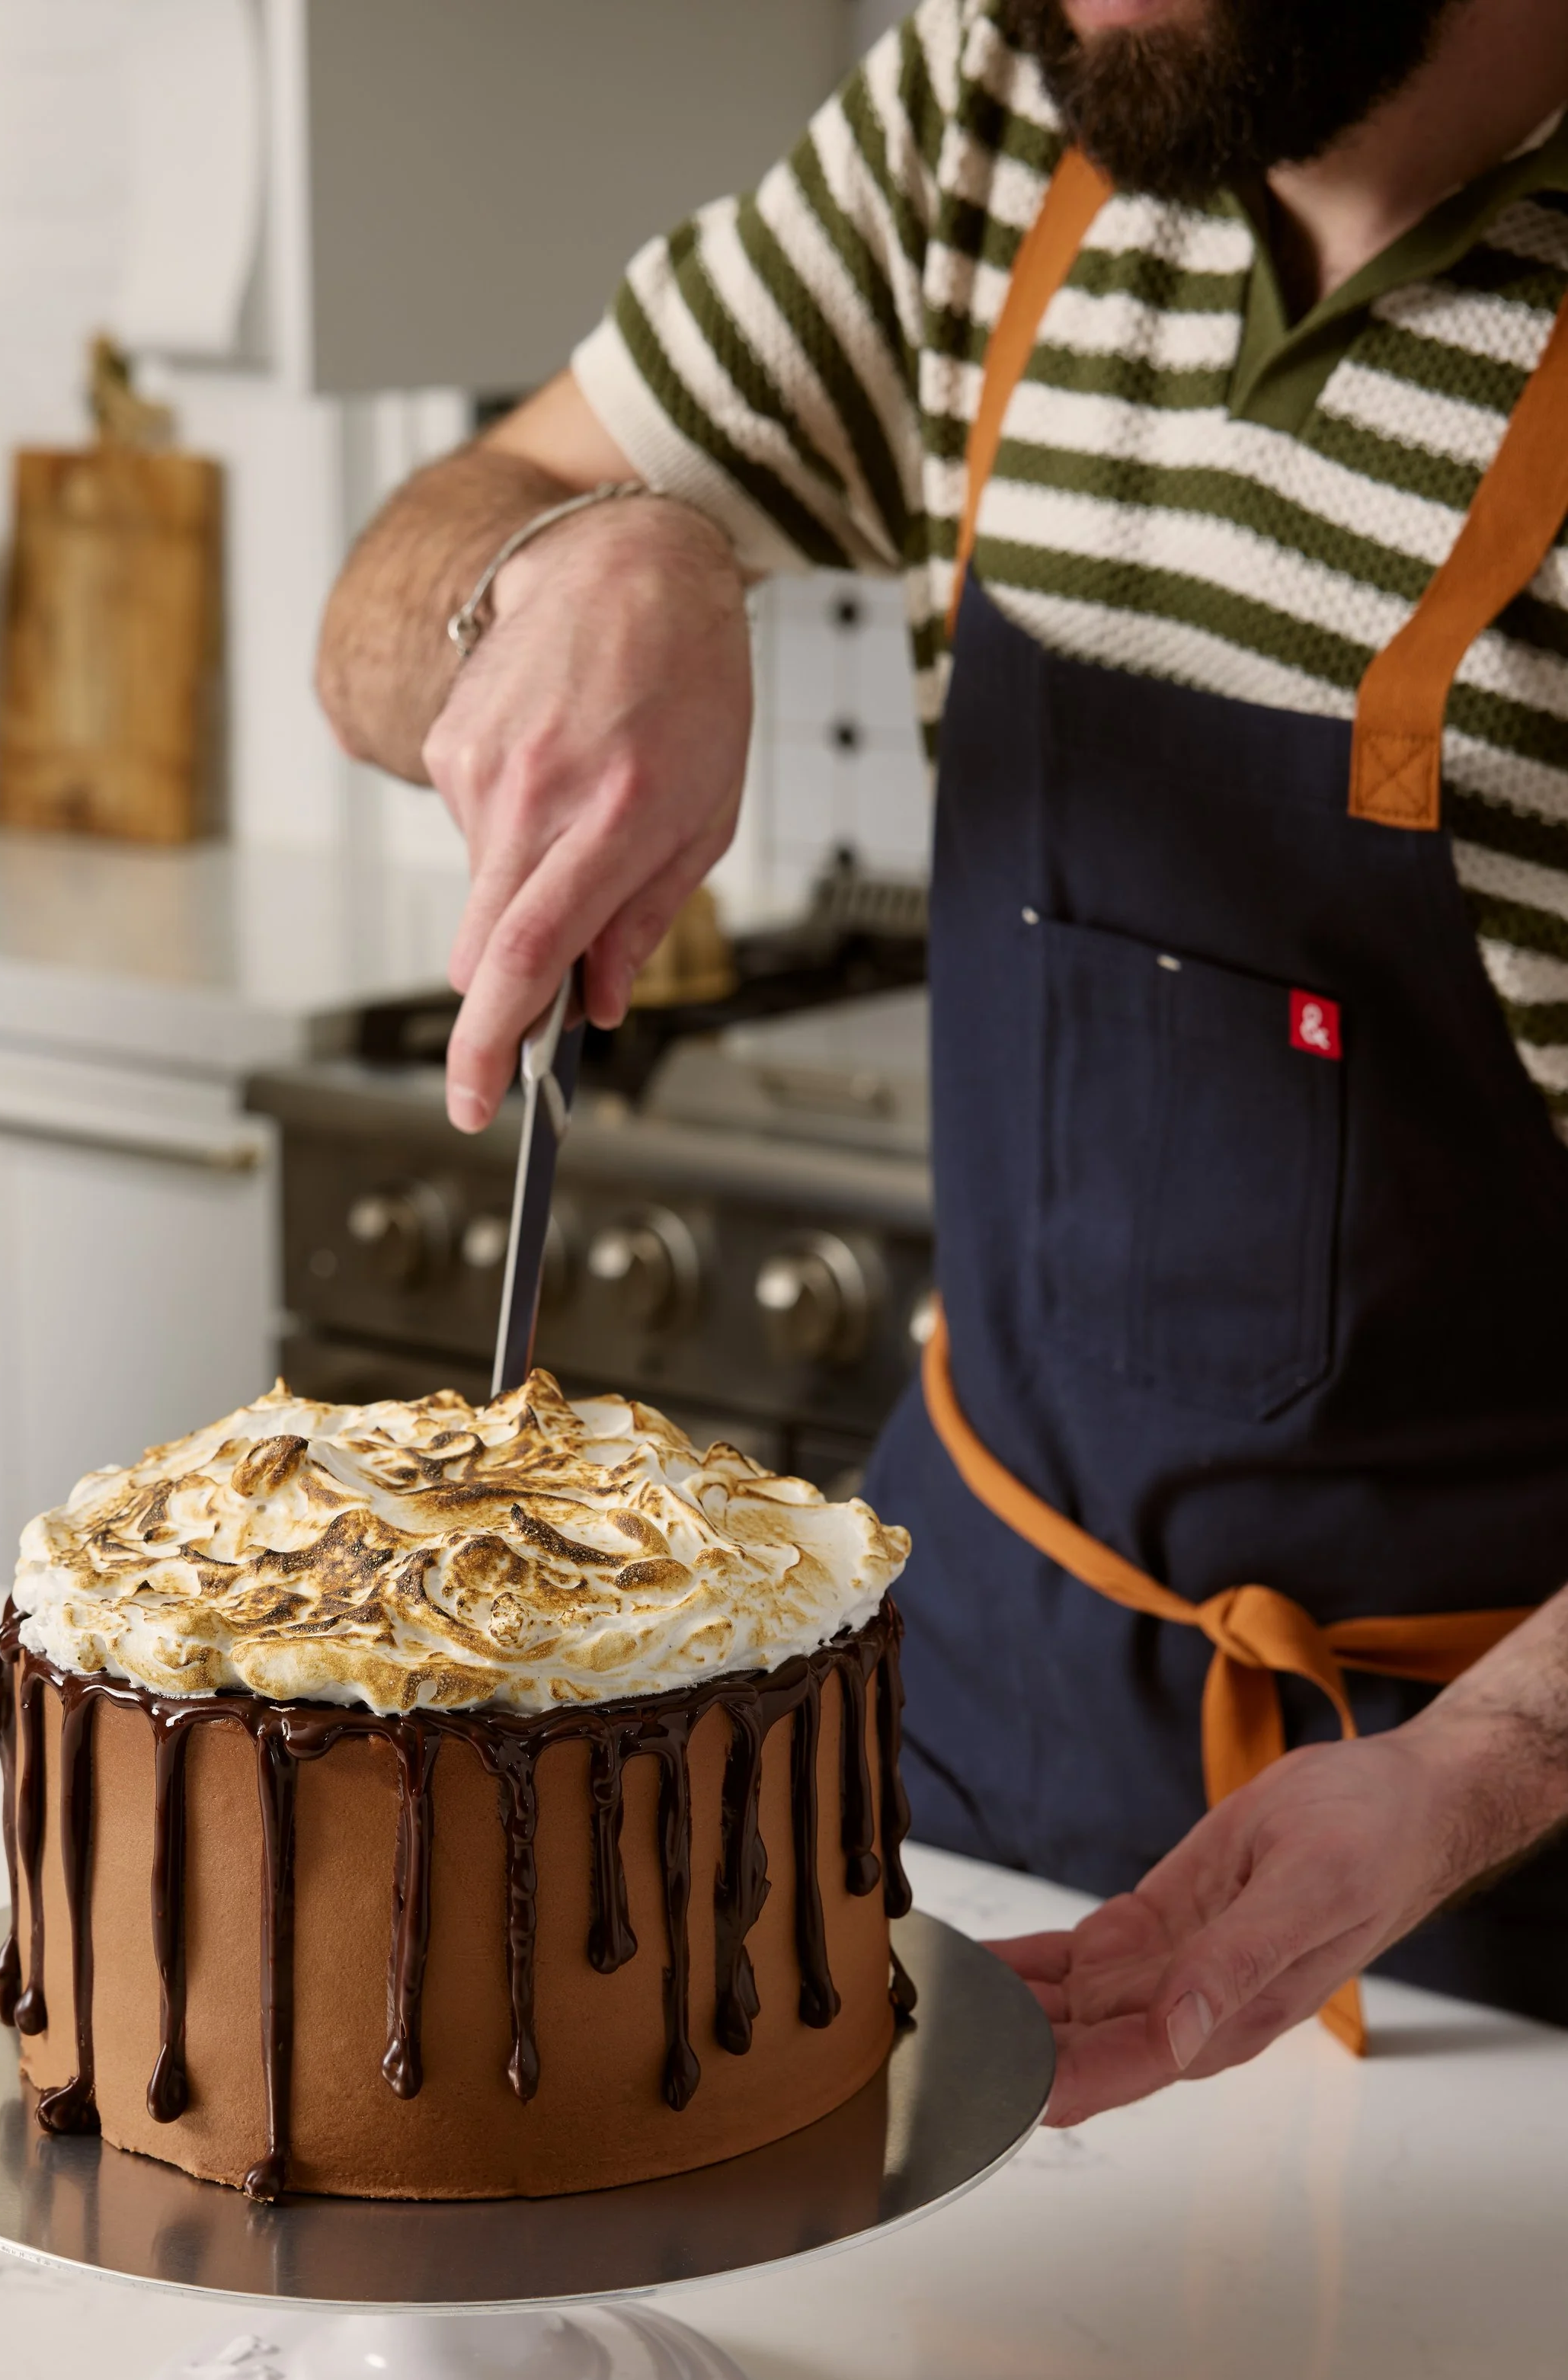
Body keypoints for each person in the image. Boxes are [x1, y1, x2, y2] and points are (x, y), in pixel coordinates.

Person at [315, 0, 1568, 2124]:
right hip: (938, 1736)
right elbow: (404, 583)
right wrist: (577, 557)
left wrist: (1473, 1774)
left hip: (1476, 1914)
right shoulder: (990, 122)